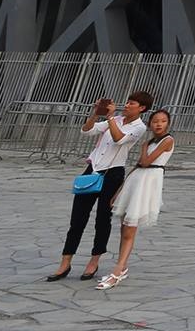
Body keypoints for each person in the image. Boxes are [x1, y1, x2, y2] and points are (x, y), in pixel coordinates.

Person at [47, 91, 153, 282]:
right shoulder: (116, 119)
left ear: (142, 108)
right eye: (127, 102)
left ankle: (94, 260)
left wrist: (111, 117)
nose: (126, 105)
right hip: (93, 169)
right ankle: (65, 261)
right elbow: (87, 130)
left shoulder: (139, 127)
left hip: (112, 174)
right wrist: (96, 113)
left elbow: (120, 139)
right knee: (77, 218)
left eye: (132, 103)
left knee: (102, 219)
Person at [97, 110, 174, 290]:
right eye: (155, 121)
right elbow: (138, 166)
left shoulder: (167, 141)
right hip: (136, 181)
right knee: (125, 227)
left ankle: (117, 270)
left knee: (130, 228)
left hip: (147, 183)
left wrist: (145, 148)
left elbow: (146, 162)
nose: (159, 124)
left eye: (163, 121)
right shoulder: (149, 142)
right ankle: (121, 266)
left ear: (168, 124)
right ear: (150, 124)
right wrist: (119, 192)